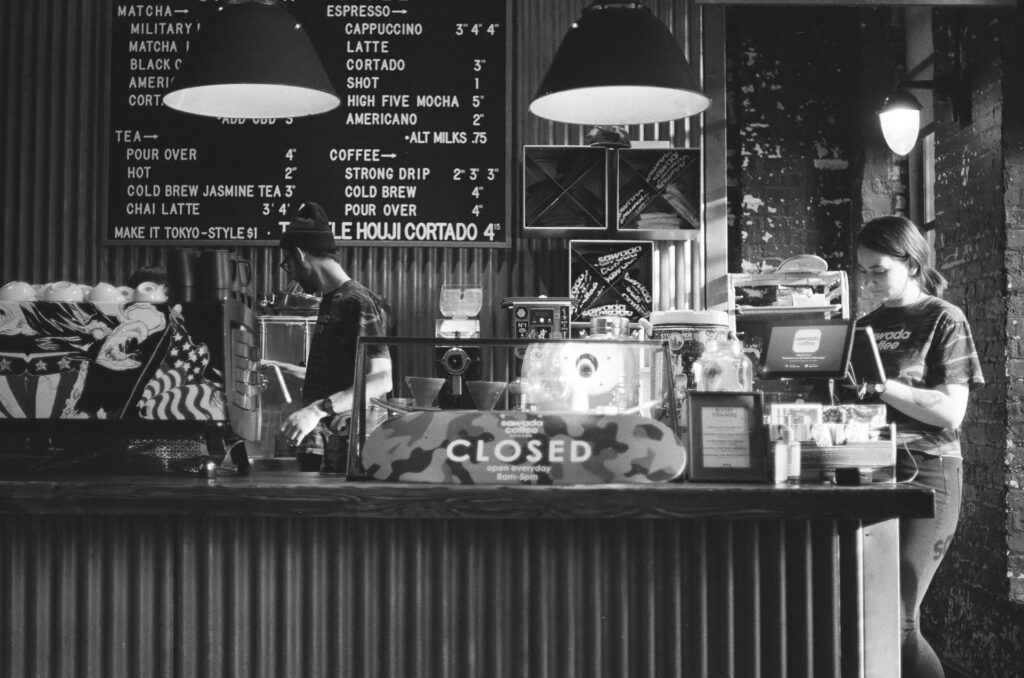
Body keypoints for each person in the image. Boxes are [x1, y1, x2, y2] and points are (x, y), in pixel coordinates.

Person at [855, 215, 984, 678]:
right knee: (870, 612)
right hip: (869, 469)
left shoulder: (945, 318)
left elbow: (951, 411)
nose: (868, 281)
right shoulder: (865, 325)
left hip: (928, 470)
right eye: (863, 270)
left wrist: (882, 386)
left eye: (879, 270)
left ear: (911, 263)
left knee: (897, 617)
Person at [265, 202, 393, 472]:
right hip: (332, 448)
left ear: (299, 255)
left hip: (354, 452)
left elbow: (382, 379)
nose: (291, 275)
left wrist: (315, 411)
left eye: (287, 265)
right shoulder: (332, 300)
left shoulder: (355, 300)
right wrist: (281, 370)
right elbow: (339, 377)